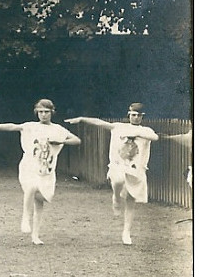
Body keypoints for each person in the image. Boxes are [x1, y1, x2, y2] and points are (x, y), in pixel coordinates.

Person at [0, 99, 81, 245]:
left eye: (46, 112)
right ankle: (25, 217)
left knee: (40, 201)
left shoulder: (58, 129)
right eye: (40, 112)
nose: (43, 115)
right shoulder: (30, 126)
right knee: (31, 187)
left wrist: (61, 142)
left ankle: (35, 235)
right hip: (29, 165)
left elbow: (76, 140)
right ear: (36, 112)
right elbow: (12, 127)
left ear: (52, 112)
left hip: (46, 168)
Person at [65, 103, 159, 245]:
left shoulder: (145, 130)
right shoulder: (119, 127)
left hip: (136, 168)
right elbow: (99, 123)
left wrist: (136, 133)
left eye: (139, 115)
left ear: (142, 117)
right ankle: (115, 197)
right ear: (129, 115)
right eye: (133, 115)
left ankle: (126, 232)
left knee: (131, 200)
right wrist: (82, 118)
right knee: (118, 180)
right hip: (118, 164)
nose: (136, 118)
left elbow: (155, 137)